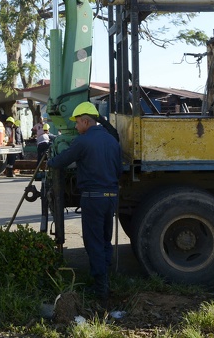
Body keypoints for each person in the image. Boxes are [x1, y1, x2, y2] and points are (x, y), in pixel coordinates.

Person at [47, 102, 122, 302]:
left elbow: (61, 161)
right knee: (105, 240)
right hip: (111, 198)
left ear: (86, 121)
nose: (76, 128)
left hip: (93, 199)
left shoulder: (83, 141)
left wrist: (49, 160)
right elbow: (118, 171)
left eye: (78, 123)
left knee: (94, 242)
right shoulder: (112, 141)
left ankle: (101, 291)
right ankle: (105, 279)